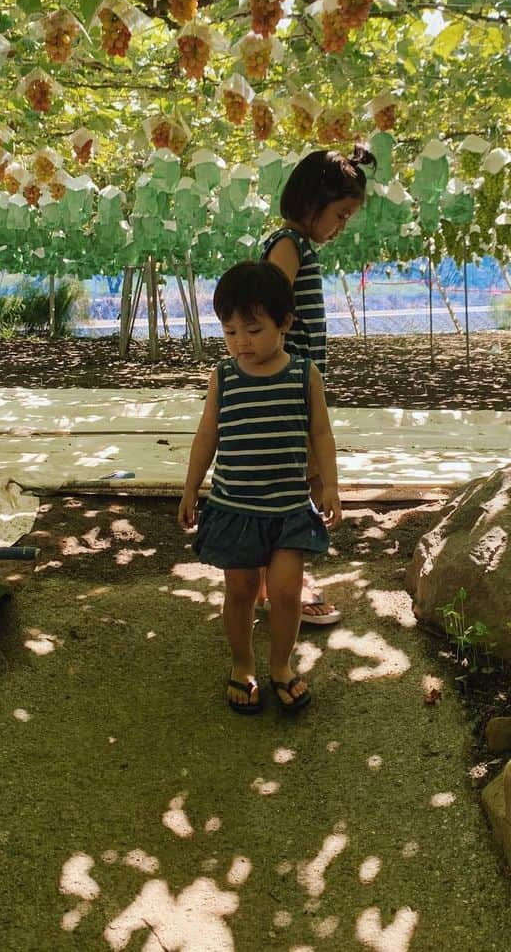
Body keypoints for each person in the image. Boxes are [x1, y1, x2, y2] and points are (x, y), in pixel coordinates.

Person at [178, 261, 341, 714]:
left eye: (252, 329)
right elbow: (207, 434)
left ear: (284, 323)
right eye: (230, 332)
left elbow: (322, 435)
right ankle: (242, 664)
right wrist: (191, 488)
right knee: (242, 591)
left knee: (287, 591)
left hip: (289, 508)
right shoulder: (224, 378)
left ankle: (282, 667)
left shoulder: (304, 375)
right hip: (236, 508)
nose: (241, 343)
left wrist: (329, 485)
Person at [258, 144, 375, 625]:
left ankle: (276, 584)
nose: (342, 226)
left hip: (299, 386)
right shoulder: (288, 245)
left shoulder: (298, 246)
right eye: (341, 214)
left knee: (295, 482)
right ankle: (286, 585)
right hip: (288, 390)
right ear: (311, 202)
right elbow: (265, 309)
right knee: (295, 485)